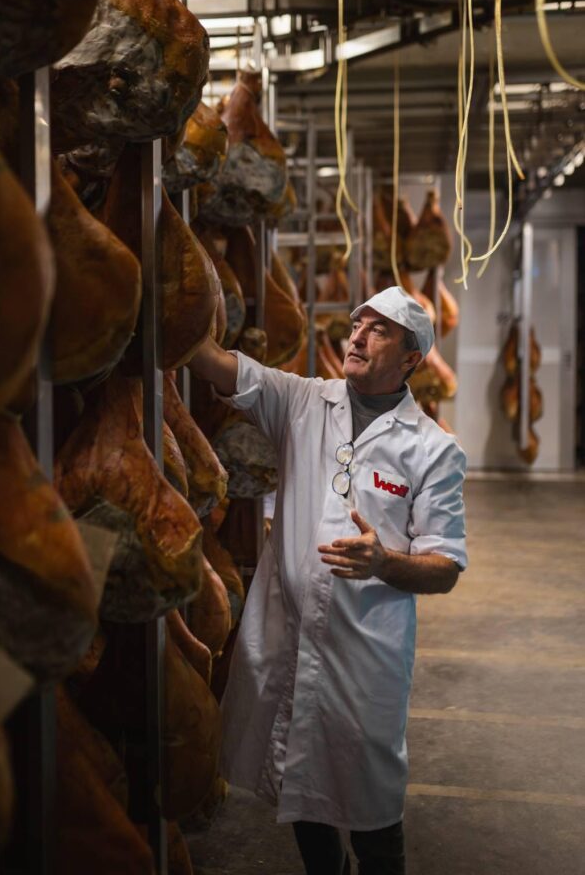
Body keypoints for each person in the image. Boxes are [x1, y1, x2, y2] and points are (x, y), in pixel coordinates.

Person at [188, 285, 467, 875]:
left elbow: (445, 567)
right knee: (299, 786)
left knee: (373, 811)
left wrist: (384, 562)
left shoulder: (433, 450)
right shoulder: (304, 400)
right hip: (287, 636)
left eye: (378, 329)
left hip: (364, 657)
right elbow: (214, 362)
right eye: (357, 324)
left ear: (411, 358)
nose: (357, 336)